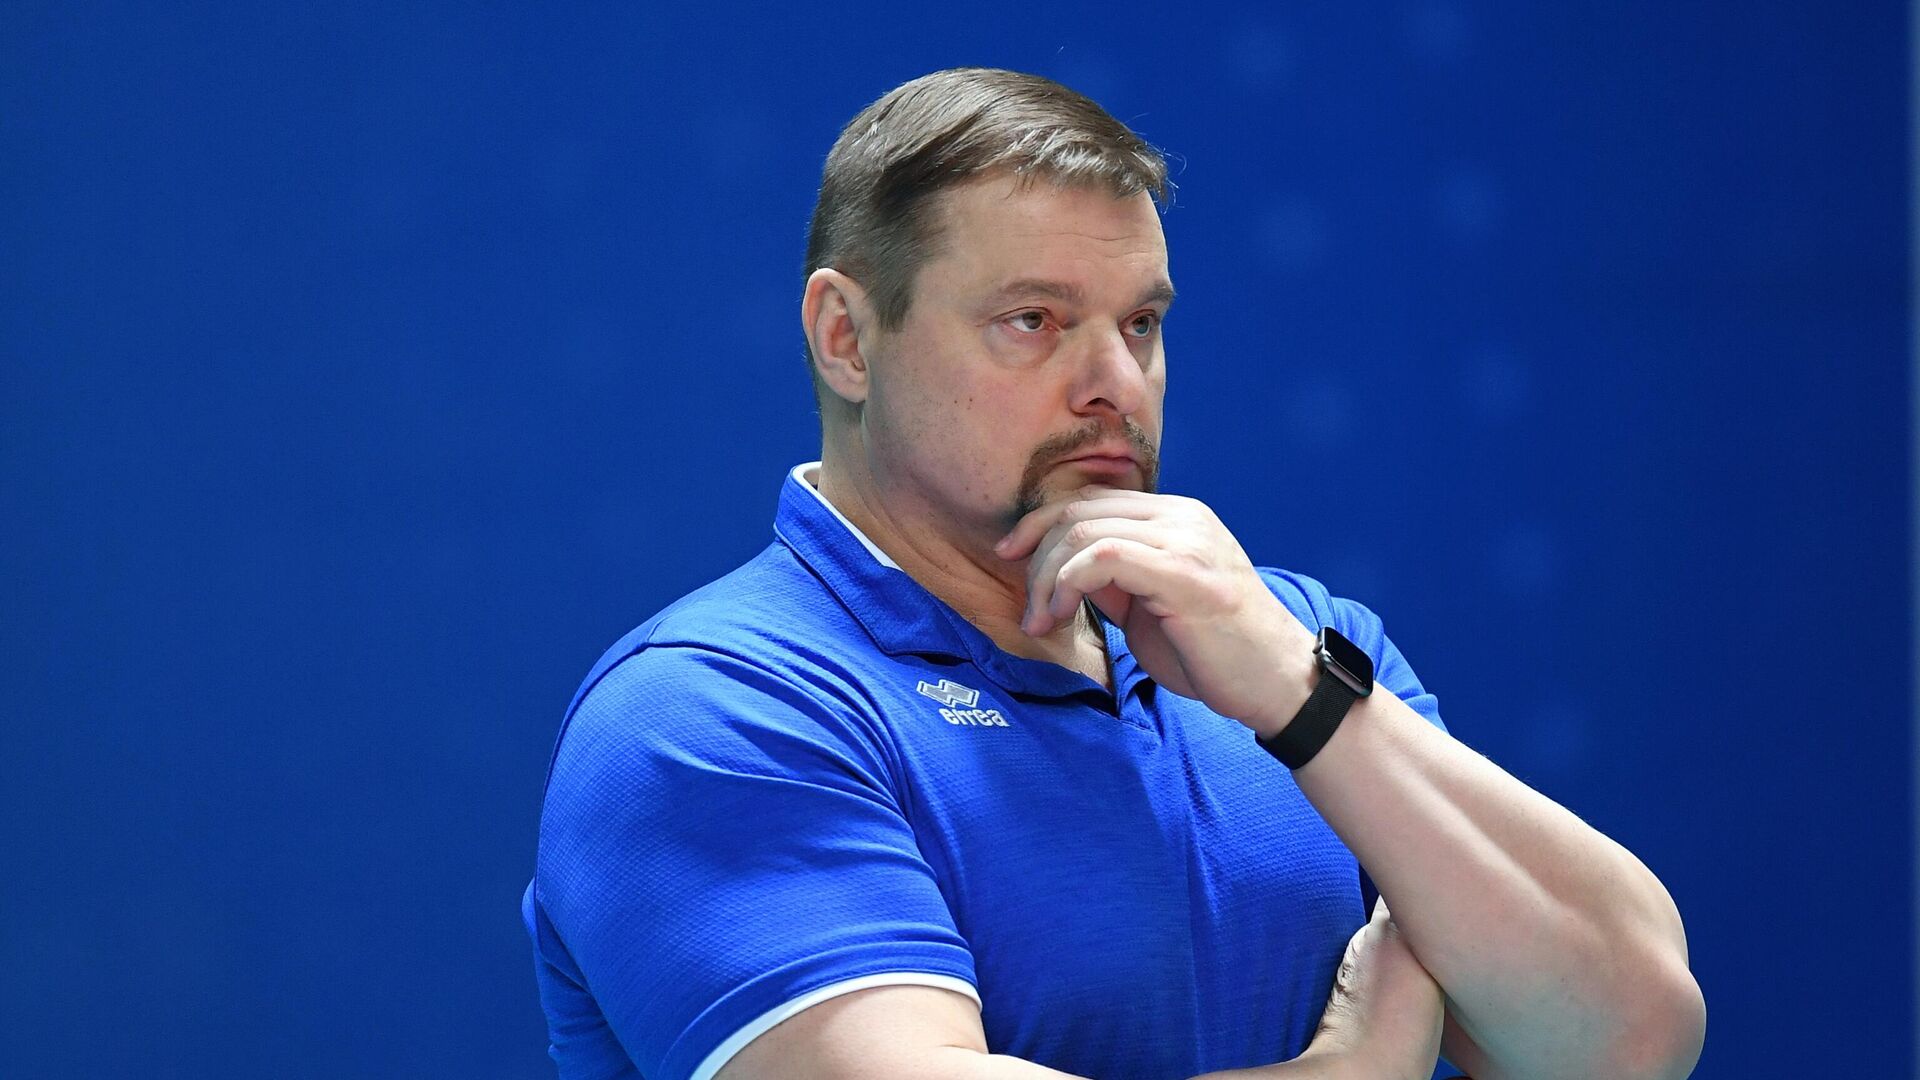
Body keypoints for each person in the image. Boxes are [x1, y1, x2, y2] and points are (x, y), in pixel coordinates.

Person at [523, 67, 1706, 1080]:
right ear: (846, 338)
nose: (1117, 385)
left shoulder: (1286, 640)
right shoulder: (710, 709)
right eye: (1034, 321)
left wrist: (1305, 700)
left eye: (1140, 323)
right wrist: (1348, 1072)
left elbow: (1628, 1039)